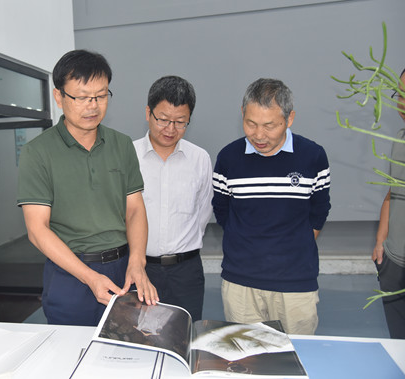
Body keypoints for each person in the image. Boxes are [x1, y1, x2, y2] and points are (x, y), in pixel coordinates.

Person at [17, 49, 158, 326]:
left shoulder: (121, 145)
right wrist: (90, 277)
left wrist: (137, 262)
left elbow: (134, 210)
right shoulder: (38, 152)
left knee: (125, 347)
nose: (93, 106)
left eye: (101, 96)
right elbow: (37, 230)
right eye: (82, 97)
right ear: (59, 97)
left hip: (122, 269)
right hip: (69, 274)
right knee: (73, 350)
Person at [212, 78, 331, 334]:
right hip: (240, 285)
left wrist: (293, 245)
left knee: (296, 354)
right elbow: (222, 210)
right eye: (250, 123)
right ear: (242, 114)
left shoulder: (313, 156)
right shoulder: (228, 158)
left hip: (296, 285)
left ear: (289, 119)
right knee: (246, 355)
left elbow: (319, 211)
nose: (258, 135)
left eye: (269, 126)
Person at [133, 76, 212, 321]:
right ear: (148, 113)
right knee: (137, 335)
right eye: (163, 119)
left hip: (186, 272)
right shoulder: (128, 155)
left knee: (186, 333)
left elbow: (203, 212)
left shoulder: (199, 158)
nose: (170, 129)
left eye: (180, 122)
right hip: (139, 269)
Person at [372, 68, 405, 339]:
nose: (402, 103)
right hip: (394, 259)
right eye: (400, 95)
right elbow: (391, 193)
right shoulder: (400, 139)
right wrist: (381, 241)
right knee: (398, 340)